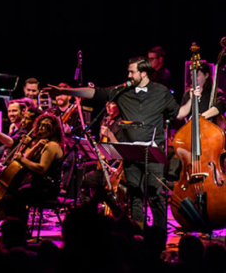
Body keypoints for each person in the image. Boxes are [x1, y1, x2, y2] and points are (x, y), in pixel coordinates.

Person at [48, 56, 180, 230]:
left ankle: (159, 237)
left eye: (132, 72)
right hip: (131, 155)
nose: (129, 75)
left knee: (155, 196)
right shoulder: (123, 91)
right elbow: (94, 92)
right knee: (135, 196)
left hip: (152, 153)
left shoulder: (160, 92)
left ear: (143, 73)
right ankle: (138, 235)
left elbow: (177, 113)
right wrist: (67, 91)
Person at [0, 112, 65, 224]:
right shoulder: (43, 143)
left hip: (46, 189)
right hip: (38, 185)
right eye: (40, 126)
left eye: (45, 126)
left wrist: (22, 159)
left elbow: (41, 168)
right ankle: (17, 227)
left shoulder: (51, 145)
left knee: (11, 198)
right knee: (10, 194)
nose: (41, 129)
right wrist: (35, 146)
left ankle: (19, 229)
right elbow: (24, 157)